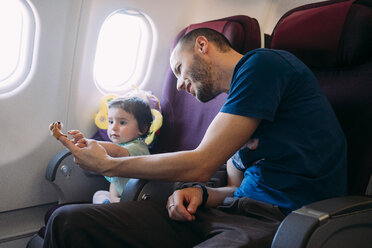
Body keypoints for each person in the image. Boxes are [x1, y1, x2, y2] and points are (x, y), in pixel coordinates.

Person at [43, 28, 347, 248]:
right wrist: (201, 194)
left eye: (179, 69)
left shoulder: (263, 65)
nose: (177, 85)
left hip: (280, 221)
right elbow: (237, 189)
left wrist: (107, 164)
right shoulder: (238, 110)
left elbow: (202, 163)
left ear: (202, 45)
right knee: (68, 221)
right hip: (225, 212)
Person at [71, 97, 153, 203]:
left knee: (101, 197)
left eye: (122, 122)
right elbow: (115, 180)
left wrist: (88, 142)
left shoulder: (138, 147)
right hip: (121, 196)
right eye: (110, 121)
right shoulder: (122, 145)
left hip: (136, 199)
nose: (113, 127)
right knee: (99, 194)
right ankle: (108, 204)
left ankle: (108, 206)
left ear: (142, 128)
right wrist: (114, 198)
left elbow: (117, 151)